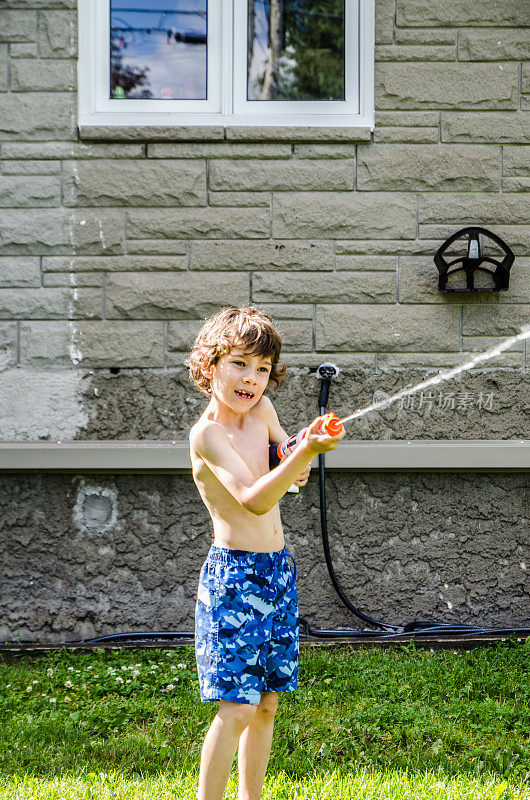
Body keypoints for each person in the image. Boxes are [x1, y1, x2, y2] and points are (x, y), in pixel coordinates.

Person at [187, 306, 345, 800]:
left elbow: (284, 469)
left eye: (261, 369)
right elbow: (254, 499)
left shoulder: (263, 413)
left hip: (277, 571)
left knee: (267, 703)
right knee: (235, 707)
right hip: (234, 581)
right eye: (239, 364)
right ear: (209, 365)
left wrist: (299, 451)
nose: (251, 379)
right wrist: (303, 457)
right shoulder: (207, 434)